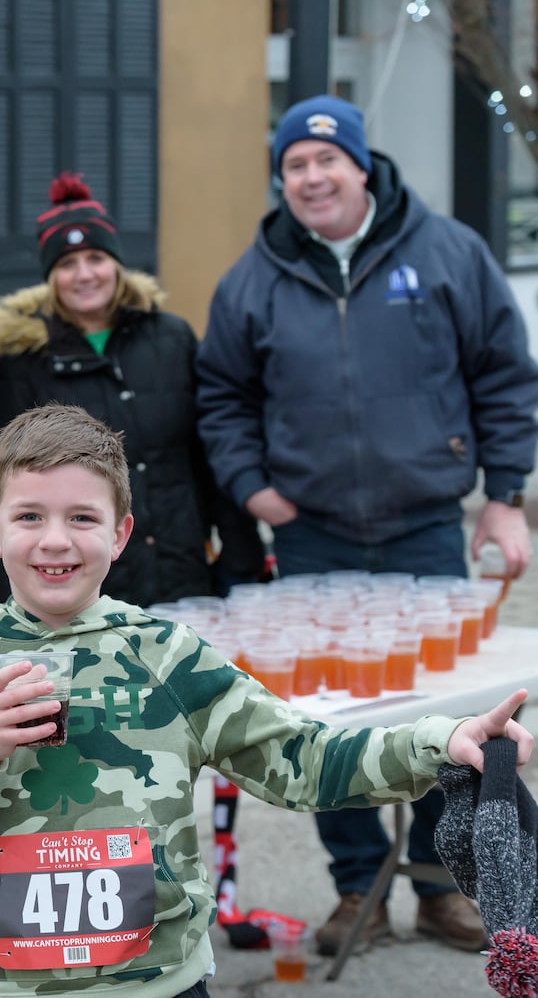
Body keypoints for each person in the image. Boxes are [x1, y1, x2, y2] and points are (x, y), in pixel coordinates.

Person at [0, 402, 534, 998]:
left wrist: (438, 742)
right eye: (29, 516)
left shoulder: (167, 654)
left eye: (82, 518)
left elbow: (299, 757)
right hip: (6, 984)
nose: (56, 540)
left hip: (165, 981)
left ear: (121, 533)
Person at [195, 94, 538, 956]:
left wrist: (504, 495)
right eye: (294, 167)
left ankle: (437, 885)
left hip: (426, 526)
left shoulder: (448, 251)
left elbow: (504, 373)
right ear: (283, 182)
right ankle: (357, 887)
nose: (312, 179)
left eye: (325, 161)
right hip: (312, 536)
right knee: (326, 726)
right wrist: (250, 487)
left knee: (443, 713)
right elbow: (222, 397)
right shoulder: (252, 279)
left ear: (360, 165)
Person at [0, 172, 262, 608]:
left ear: (117, 264)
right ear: (49, 278)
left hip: (180, 571)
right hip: (81, 584)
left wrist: (242, 557)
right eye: (67, 264)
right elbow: (6, 484)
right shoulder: (24, 360)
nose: (84, 274)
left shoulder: (172, 339)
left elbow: (207, 456)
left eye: (95, 257)